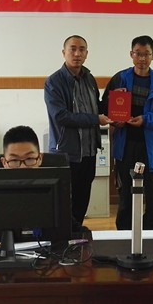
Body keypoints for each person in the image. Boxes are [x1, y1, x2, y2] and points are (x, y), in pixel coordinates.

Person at [101, 35, 153, 231]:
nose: (142, 58)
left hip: (152, 148)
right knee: (125, 197)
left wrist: (145, 120)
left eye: (146, 54)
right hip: (125, 146)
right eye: (138, 54)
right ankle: (124, 237)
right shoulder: (119, 78)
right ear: (131, 54)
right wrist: (114, 120)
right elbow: (104, 107)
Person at [44, 35, 111, 230]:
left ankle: (76, 238)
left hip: (89, 151)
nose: (77, 53)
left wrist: (117, 104)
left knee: (82, 200)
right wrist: (96, 119)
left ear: (87, 54)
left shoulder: (89, 78)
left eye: (81, 50)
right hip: (67, 152)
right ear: (63, 52)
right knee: (66, 203)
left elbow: (95, 107)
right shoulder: (54, 82)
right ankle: (64, 240)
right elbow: (61, 116)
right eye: (72, 49)